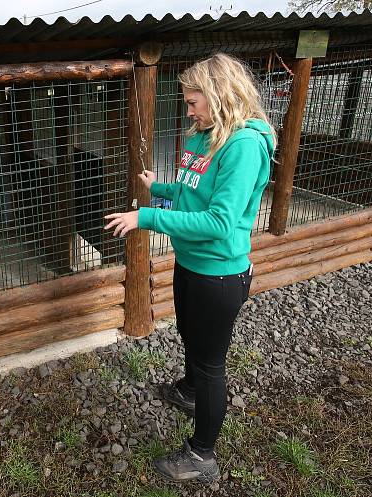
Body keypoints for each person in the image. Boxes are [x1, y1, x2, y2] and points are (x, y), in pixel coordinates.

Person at [104, 53, 276, 483]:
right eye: (187, 101)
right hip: (190, 264)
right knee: (190, 338)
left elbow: (218, 222)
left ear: (220, 96)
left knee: (210, 363)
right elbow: (191, 192)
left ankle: (202, 457)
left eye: (195, 100)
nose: (189, 109)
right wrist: (158, 189)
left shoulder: (244, 146)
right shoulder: (203, 135)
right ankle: (190, 390)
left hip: (219, 273)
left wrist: (146, 217)